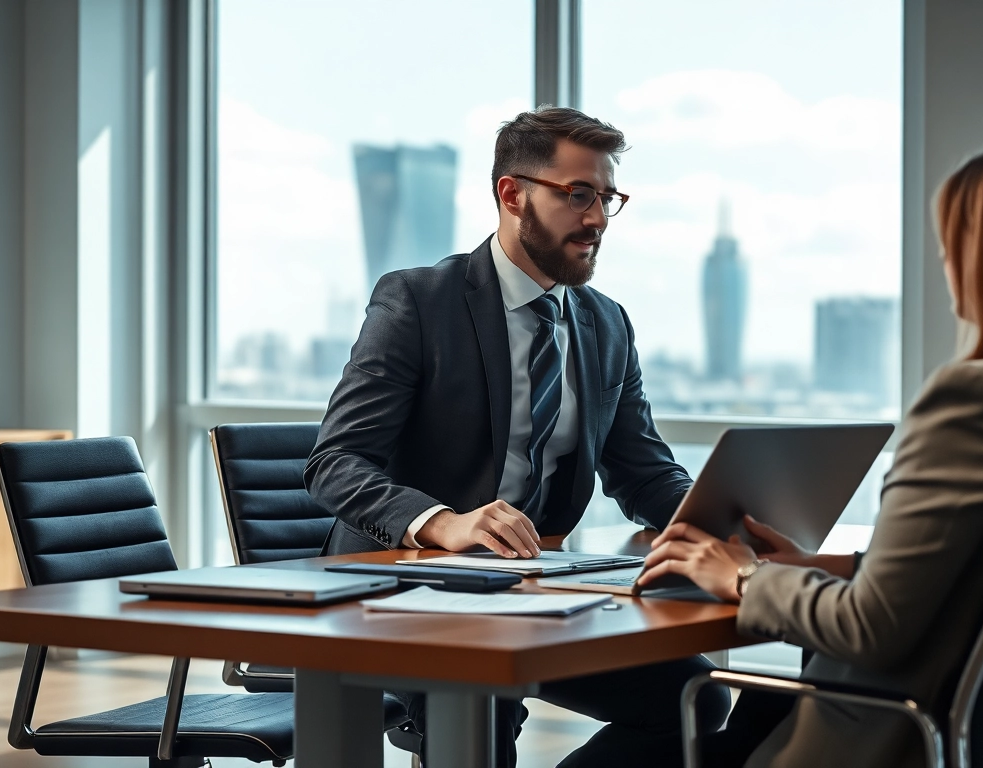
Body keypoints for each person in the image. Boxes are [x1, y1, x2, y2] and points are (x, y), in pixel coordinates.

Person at [640, 136, 983, 768]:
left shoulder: (978, 400)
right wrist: (825, 567)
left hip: (892, 740)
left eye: (955, 238)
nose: (945, 257)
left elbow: (872, 630)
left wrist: (744, 575)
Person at [304, 107, 730, 767]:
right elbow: (335, 462)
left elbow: (642, 470)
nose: (596, 218)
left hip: (532, 592)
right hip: (403, 593)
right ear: (513, 194)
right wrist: (443, 522)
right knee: (485, 707)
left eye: (607, 198)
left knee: (695, 700)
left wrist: (722, 524)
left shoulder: (606, 324)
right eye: (578, 194)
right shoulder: (417, 303)